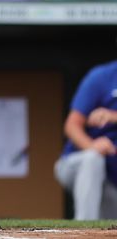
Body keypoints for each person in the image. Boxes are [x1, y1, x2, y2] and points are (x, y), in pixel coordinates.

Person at [54, 58, 117, 219]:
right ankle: (84, 225)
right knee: (93, 159)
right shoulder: (101, 77)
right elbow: (71, 125)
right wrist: (93, 146)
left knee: (109, 228)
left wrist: (113, 116)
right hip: (77, 165)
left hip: (111, 182)